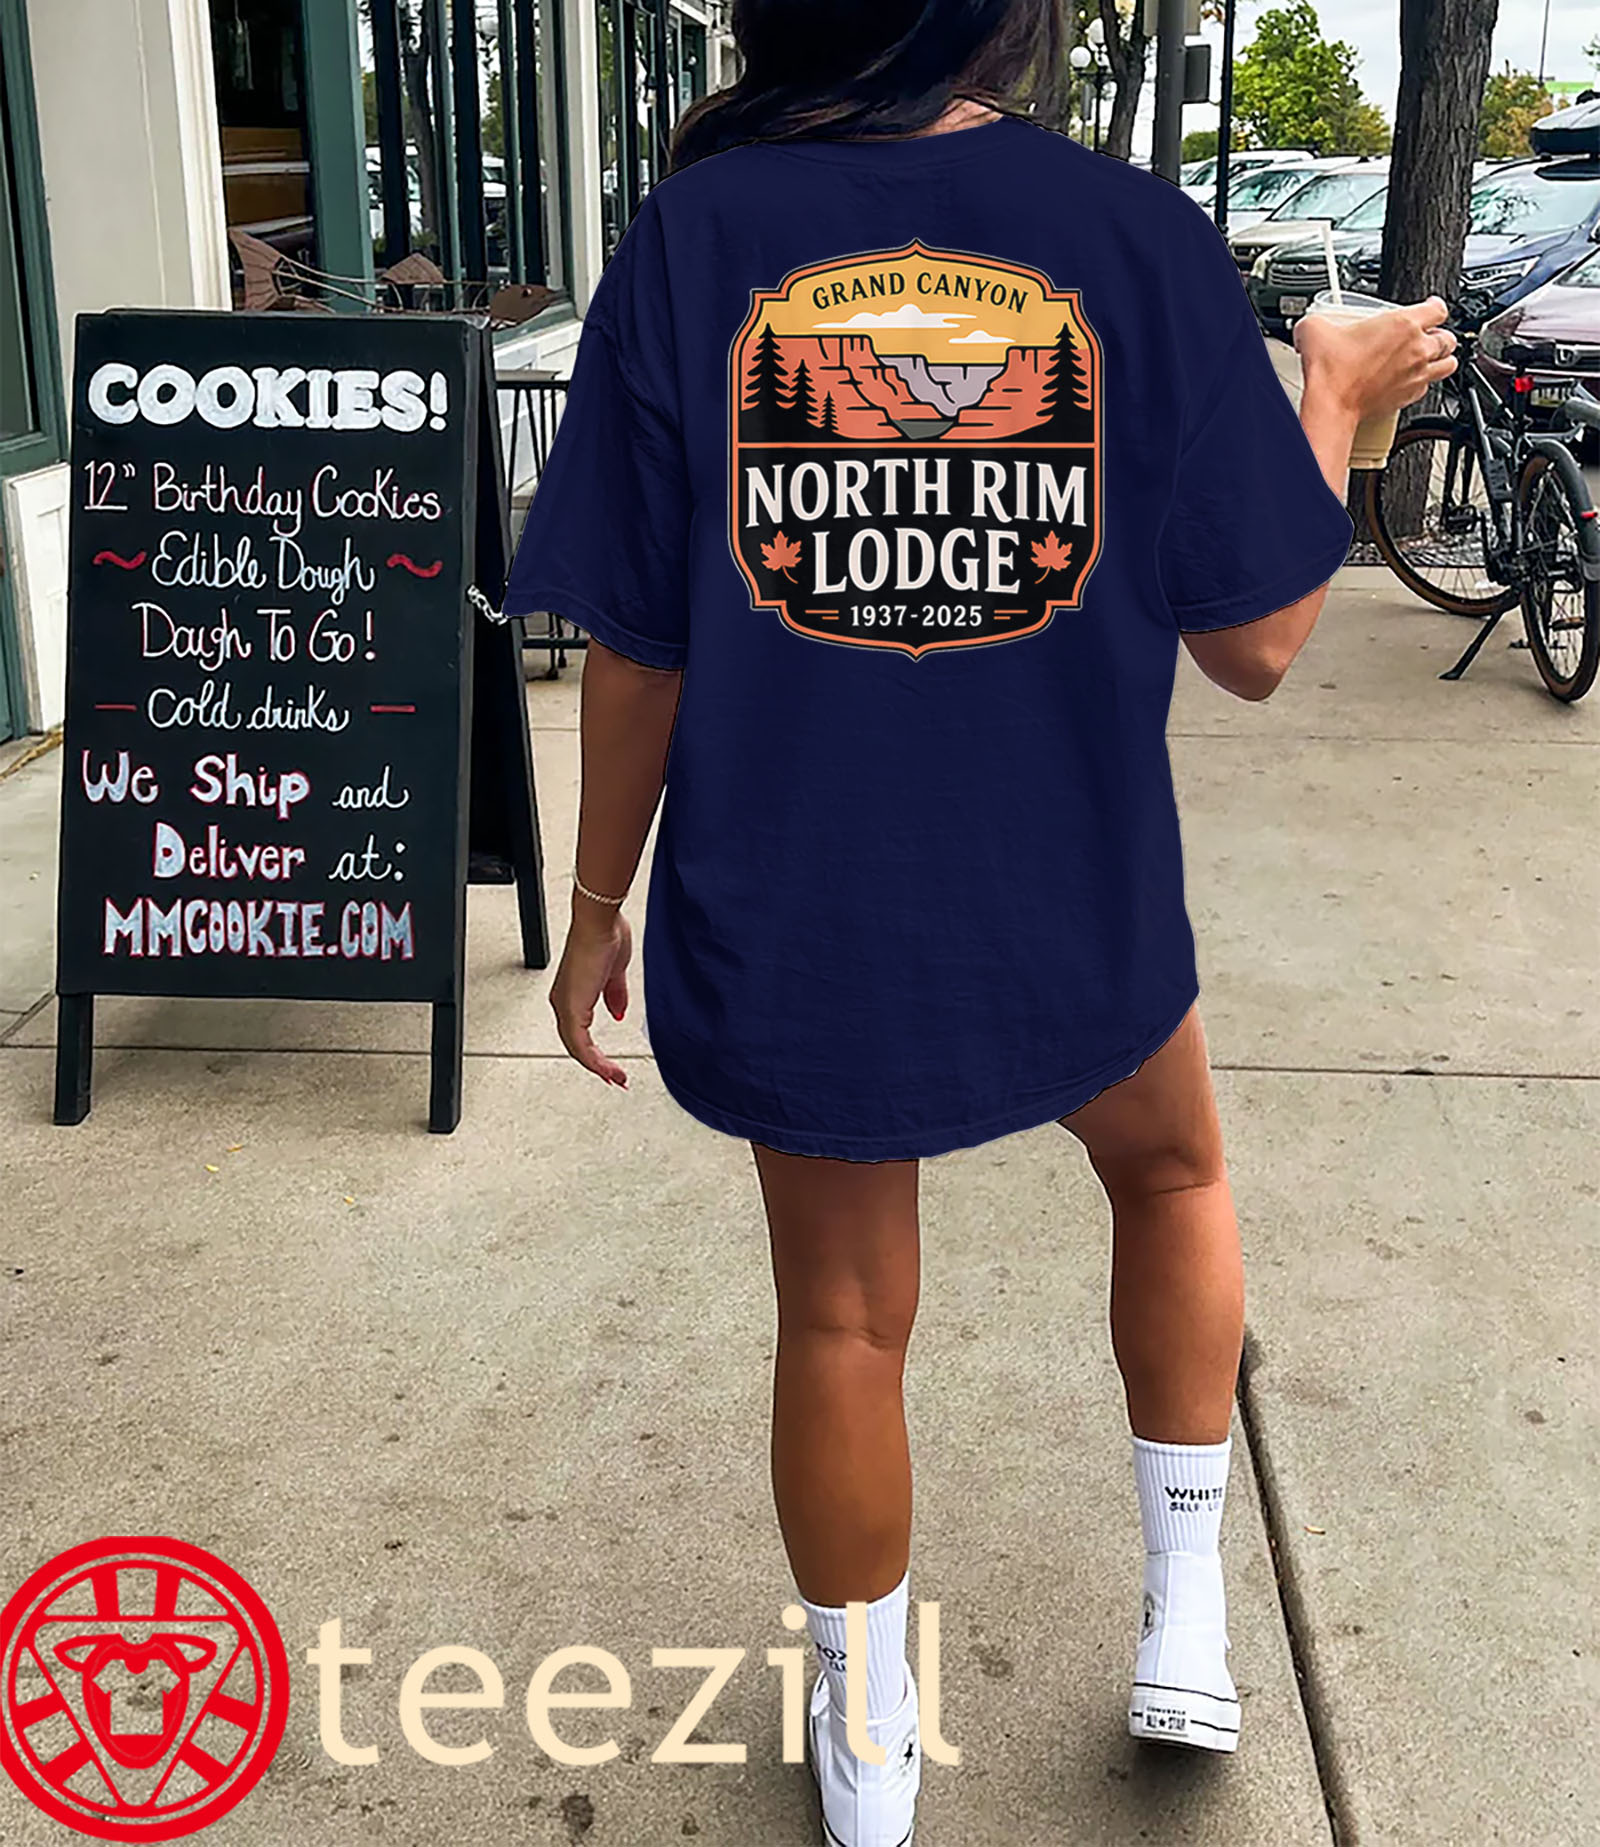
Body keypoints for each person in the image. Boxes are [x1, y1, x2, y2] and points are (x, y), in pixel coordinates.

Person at [503, 4, 1456, 1840]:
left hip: (798, 901)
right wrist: (1335, 398)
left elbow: (638, 647)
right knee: (1172, 1175)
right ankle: (1188, 1621)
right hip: (1071, 884)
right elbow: (1260, 644)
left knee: (842, 1320)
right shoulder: (1132, 234)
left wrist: (597, 901)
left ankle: (870, 1752)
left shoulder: (697, 235)